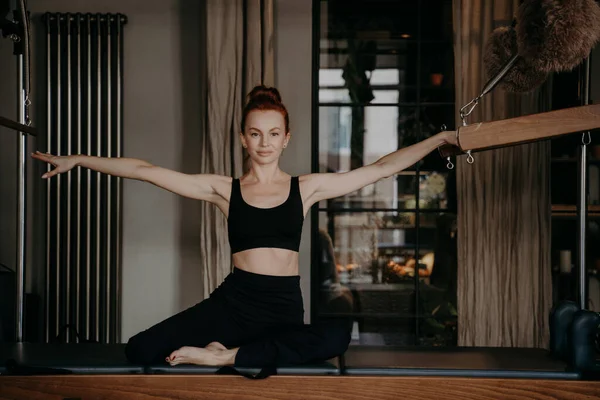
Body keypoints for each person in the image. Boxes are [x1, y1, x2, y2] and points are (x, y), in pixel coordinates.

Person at [32, 85, 457, 368]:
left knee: (336, 340)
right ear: (243, 138)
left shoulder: (305, 188)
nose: (265, 143)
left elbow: (381, 168)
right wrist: (79, 160)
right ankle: (234, 349)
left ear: (286, 137)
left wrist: (439, 140)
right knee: (140, 349)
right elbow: (145, 170)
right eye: (256, 134)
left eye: (274, 133)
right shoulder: (223, 189)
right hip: (234, 303)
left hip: (283, 307)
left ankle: (224, 356)